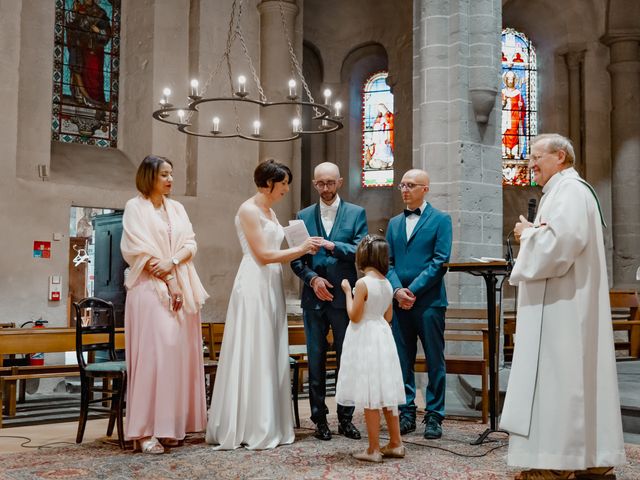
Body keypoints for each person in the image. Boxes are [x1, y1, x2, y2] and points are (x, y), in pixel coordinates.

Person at [500, 134, 626, 480]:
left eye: (536, 158)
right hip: (568, 303)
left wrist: (526, 234)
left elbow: (560, 246)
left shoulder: (569, 191)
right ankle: (591, 459)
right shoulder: (566, 191)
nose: (531, 165)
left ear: (560, 156)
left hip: (562, 307)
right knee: (578, 380)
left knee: (559, 380)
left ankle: (555, 465)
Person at [206, 159, 323, 450]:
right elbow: (262, 254)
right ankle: (249, 424)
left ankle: (270, 421)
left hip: (271, 282)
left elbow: (277, 250)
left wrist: (304, 240)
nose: (286, 188)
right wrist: (300, 248)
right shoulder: (248, 209)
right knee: (254, 345)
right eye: (283, 183)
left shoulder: (271, 210)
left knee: (269, 346)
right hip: (255, 280)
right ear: (269, 183)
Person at [121, 155, 209, 454]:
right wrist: (168, 278)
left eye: (171, 174)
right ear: (149, 177)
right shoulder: (136, 207)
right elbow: (137, 249)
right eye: (164, 175)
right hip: (149, 289)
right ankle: (144, 431)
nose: (170, 180)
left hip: (181, 284)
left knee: (177, 358)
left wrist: (172, 263)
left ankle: (170, 427)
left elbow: (191, 244)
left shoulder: (177, 207)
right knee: (154, 358)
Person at [290, 162, 368, 441]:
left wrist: (333, 246)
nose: (325, 188)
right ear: (314, 184)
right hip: (314, 298)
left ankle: (346, 419)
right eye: (320, 183)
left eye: (330, 183)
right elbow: (296, 259)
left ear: (340, 182)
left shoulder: (357, 213)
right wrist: (312, 279)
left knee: (347, 359)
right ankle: (319, 418)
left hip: (344, 297)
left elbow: (362, 250)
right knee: (316, 359)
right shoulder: (302, 216)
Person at [385, 169, 452, 439]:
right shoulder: (393, 224)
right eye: (402, 185)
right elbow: (387, 263)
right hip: (400, 303)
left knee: (435, 360)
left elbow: (439, 261)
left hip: (430, 302)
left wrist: (411, 290)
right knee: (402, 360)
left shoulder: (441, 220)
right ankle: (406, 412)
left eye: (411, 185)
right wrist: (398, 290)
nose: (404, 189)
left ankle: (434, 416)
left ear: (425, 188)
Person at [337, 235, 406, 463]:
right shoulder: (387, 284)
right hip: (383, 336)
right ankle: (396, 443)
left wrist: (348, 292)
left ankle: (373, 449)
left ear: (363, 256)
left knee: (369, 394)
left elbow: (354, 316)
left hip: (365, 337)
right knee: (385, 392)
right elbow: (388, 316)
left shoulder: (362, 283)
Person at [65, 0, 112, 107]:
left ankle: (95, 101)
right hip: (79, 48)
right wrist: (73, 12)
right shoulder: (78, 9)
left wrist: (99, 31)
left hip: (94, 50)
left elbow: (107, 33)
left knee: (94, 75)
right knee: (78, 69)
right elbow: (70, 25)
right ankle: (80, 96)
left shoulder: (100, 13)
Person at [501, 70, 526, 159]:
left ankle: (516, 153)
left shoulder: (518, 93)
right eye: (508, 79)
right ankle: (504, 152)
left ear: (515, 80)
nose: (510, 81)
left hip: (515, 119)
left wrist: (521, 105)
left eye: (512, 79)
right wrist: (503, 103)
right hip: (505, 118)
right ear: (505, 80)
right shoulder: (503, 92)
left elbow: (523, 110)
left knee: (515, 135)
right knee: (505, 134)